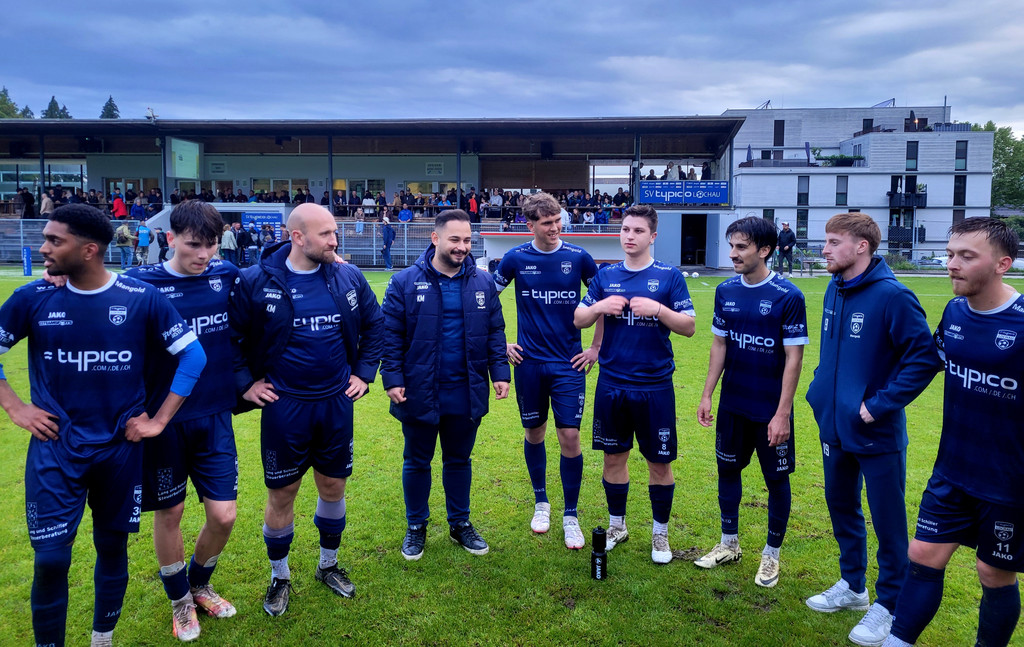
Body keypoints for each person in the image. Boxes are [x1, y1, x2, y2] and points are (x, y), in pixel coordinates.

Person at [0, 204, 205, 647]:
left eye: (55, 240)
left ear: (89, 250)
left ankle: (102, 639)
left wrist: (159, 419)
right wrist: (16, 408)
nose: (43, 248)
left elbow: (194, 355)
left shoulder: (140, 297)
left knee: (112, 548)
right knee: (50, 561)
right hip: (56, 450)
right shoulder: (34, 297)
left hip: (119, 451)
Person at [229, 203, 383, 617]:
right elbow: (232, 338)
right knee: (283, 493)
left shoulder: (347, 276)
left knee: (333, 487)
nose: (335, 240)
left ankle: (328, 565)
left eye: (335, 232)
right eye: (326, 234)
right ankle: (279, 576)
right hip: (285, 407)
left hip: (336, 404)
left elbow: (376, 324)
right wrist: (246, 384)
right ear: (297, 237)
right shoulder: (257, 280)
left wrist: (364, 373)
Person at [804, 212, 943, 646]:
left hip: (875, 430)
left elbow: (925, 359)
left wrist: (878, 406)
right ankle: (853, 586)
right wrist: (820, 392)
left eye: (833, 242)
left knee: (887, 520)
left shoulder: (893, 296)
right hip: (833, 424)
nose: (824, 249)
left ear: (861, 246)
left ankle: (891, 603)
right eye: (825, 241)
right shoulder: (835, 287)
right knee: (841, 505)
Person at [883, 218, 1023, 647]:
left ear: (1002, 264)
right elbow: (929, 361)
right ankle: (897, 641)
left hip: (1009, 483)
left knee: (992, 572)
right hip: (952, 470)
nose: (951, 264)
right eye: (949, 254)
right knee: (923, 554)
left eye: (966, 256)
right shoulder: (955, 312)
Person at [122, 201, 240, 641]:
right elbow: (90, 293)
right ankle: (180, 603)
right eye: (193, 245)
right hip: (162, 421)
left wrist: (331, 256)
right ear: (170, 239)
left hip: (214, 417)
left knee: (223, 516)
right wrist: (58, 276)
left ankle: (199, 585)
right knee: (170, 511)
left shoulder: (227, 275)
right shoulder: (139, 283)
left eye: (211, 245)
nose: (203, 254)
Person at [381, 209, 510, 560]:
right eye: (454, 239)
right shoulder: (404, 281)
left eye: (467, 240)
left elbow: (495, 331)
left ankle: (460, 523)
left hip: (465, 390)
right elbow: (390, 335)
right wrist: (392, 378)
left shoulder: (483, 282)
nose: (462, 247)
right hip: (419, 389)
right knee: (416, 461)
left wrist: (500, 372)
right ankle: (416, 526)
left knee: (458, 459)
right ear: (435, 238)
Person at [574, 205, 696, 564]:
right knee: (613, 457)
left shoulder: (669, 277)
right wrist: (600, 307)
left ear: (652, 236)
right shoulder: (606, 275)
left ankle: (660, 534)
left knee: (659, 462)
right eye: (625, 229)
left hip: (655, 386)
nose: (629, 236)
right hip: (612, 384)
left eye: (638, 231)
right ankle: (617, 526)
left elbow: (689, 326)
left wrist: (658, 310)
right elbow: (579, 318)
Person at [694, 216, 808, 588]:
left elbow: (794, 358)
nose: (733, 253)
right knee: (727, 471)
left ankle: (771, 555)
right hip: (733, 405)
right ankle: (729, 544)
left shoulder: (788, 296)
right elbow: (719, 345)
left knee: (776, 480)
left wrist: (782, 414)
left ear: (765, 250)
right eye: (732, 246)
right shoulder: (725, 290)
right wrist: (708, 394)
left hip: (770, 410)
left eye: (741, 247)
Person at [493, 192, 600, 550]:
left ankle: (570, 515)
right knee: (534, 433)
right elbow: (484, 300)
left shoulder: (579, 258)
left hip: (569, 364)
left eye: (557, 221)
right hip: (529, 364)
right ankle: (541, 503)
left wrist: (595, 348)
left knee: (570, 436)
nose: (555, 228)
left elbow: (602, 303)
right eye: (547, 223)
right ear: (530, 225)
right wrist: (502, 343)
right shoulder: (515, 258)